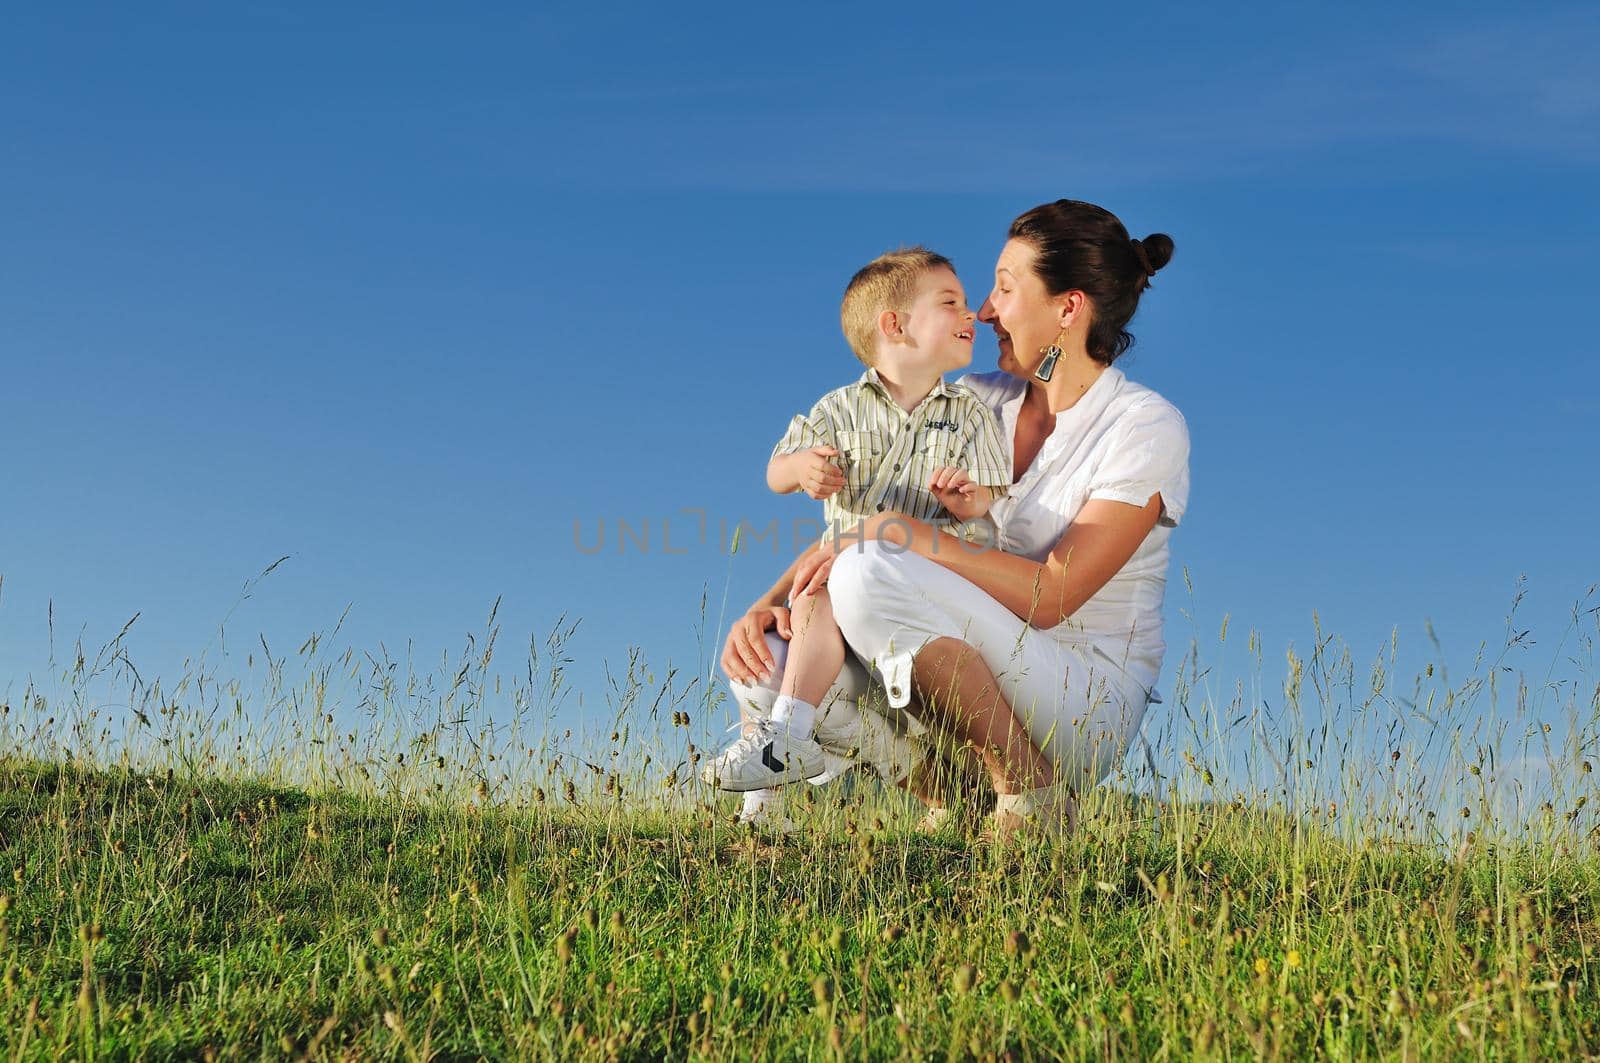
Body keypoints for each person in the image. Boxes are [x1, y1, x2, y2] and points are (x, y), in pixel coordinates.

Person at [721, 199, 1189, 838]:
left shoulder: (1141, 425)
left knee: (865, 575)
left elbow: (1051, 596)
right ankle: (953, 799)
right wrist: (767, 604)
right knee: (775, 659)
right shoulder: (969, 404)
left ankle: (1032, 795)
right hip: (960, 661)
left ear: (1068, 308)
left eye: (1004, 287)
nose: (987, 310)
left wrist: (903, 536)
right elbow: (865, 523)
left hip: (1078, 695)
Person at [702, 248, 1012, 818]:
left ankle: (792, 744)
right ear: (894, 326)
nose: (971, 315)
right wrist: (803, 470)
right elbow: (775, 471)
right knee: (809, 605)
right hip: (838, 569)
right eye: (951, 304)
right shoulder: (839, 408)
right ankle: (770, 777)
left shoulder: (970, 413)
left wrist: (970, 499)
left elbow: (993, 496)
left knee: (829, 592)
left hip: (926, 572)